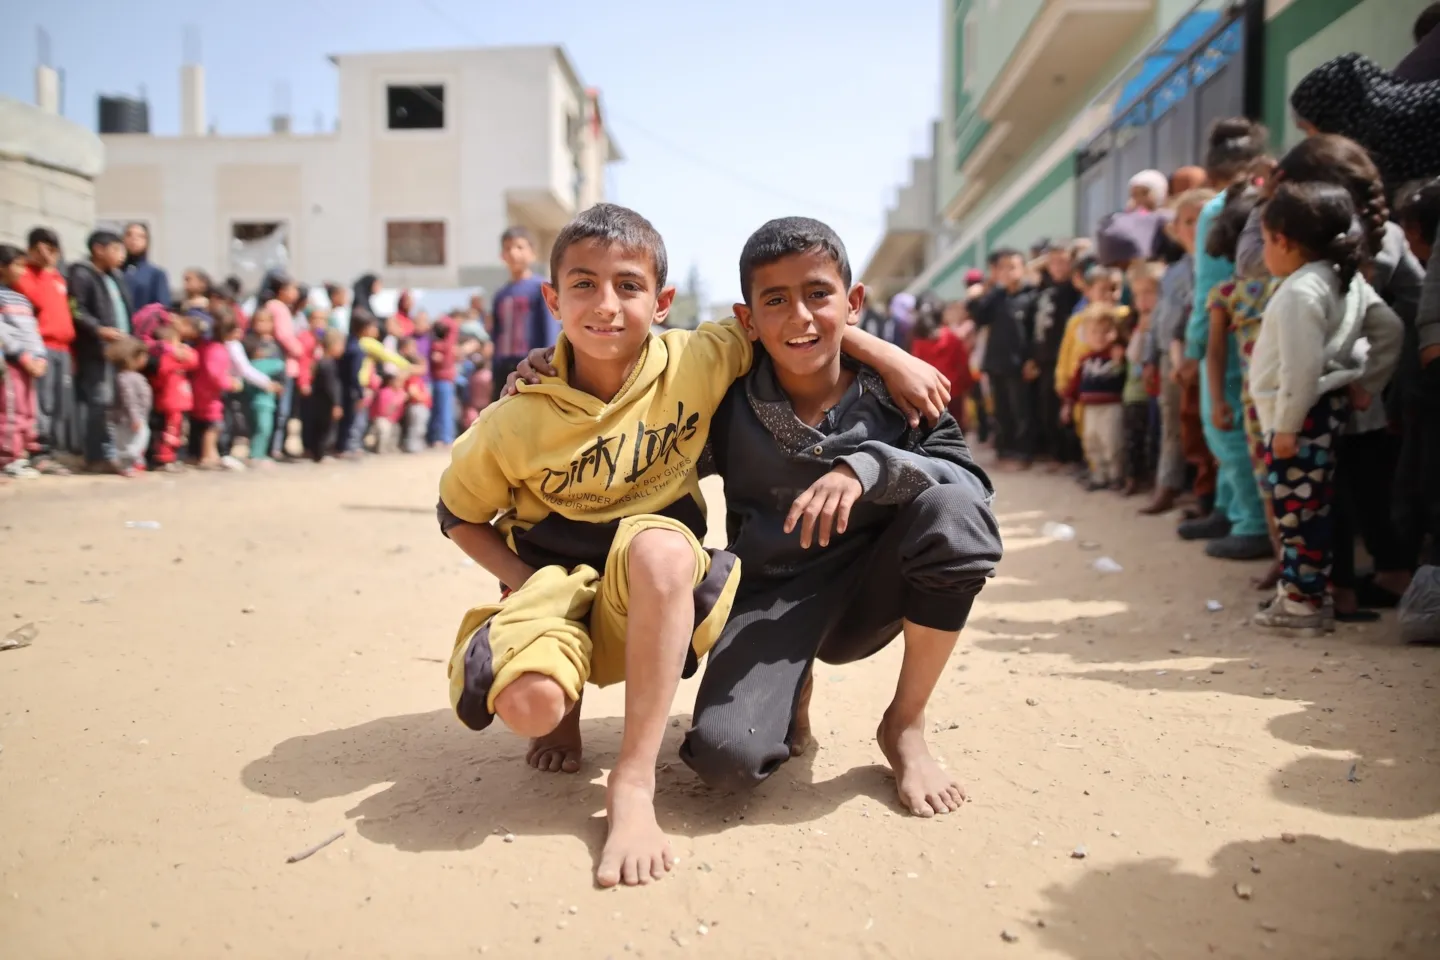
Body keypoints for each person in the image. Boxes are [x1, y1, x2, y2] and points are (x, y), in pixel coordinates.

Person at [438, 203, 948, 887]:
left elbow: (793, 326)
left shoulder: (696, 360)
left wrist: (885, 350)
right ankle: (558, 697)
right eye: (583, 286)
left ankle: (634, 782)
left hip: (647, 575)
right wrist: (520, 579)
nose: (607, 305)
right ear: (553, 300)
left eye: (628, 286)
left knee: (665, 549)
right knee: (533, 707)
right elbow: (456, 513)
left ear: (663, 301)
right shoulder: (514, 417)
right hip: (552, 582)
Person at [665, 217, 1000, 816]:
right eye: (776, 300)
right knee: (725, 760)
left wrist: (868, 467)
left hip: (874, 589)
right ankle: (791, 691)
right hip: (773, 594)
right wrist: (548, 366)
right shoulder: (724, 400)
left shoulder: (899, 396)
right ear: (747, 320)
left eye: (818, 294)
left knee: (956, 513)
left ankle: (904, 725)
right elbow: (638, 392)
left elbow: (971, 486)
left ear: (854, 302)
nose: (800, 316)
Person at [1250, 182, 1403, 633]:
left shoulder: (1300, 291)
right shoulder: (1347, 280)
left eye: (1263, 240)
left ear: (1284, 240)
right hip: (1327, 412)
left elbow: (1300, 368)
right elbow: (1390, 331)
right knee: (1315, 506)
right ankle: (1312, 597)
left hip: (1298, 417)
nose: (1263, 250)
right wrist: (1366, 385)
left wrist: (1285, 428)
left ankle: (1301, 605)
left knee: (1295, 513)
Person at [1178, 118, 1272, 560]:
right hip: (1263, 328)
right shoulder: (1269, 198)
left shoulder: (1218, 210)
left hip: (1228, 334)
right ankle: (1231, 509)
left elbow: (1207, 289)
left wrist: (1194, 349)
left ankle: (1250, 522)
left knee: (1227, 428)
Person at [1141, 188, 1214, 514]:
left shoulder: (1216, 265)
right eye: (1187, 221)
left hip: (1204, 357)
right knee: (1174, 426)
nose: (1195, 227)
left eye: (1202, 219)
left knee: (1208, 427)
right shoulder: (1174, 271)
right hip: (1169, 358)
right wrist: (1149, 357)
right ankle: (1167, 485)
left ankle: (1208, 499)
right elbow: (1157, 319)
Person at [1288, 54, 1440, 196]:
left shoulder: (1383, 144)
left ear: (1331, 118)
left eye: (1307, 129)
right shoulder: (1408, 112)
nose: (1309, 140)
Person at [67, 230, 133, 472]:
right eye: (116, 249)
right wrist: (99, 330)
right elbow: (76, 309)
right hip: (97, 350)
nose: (121, 255)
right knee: (99, 401)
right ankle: (96, 456)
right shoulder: (82, 274)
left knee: (116, 402)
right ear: (98, 249)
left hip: (120, 351)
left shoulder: (115, 277)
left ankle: (114, 452)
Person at [968, 248, 1038, 466]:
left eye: (1012, 267)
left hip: (1020, 364)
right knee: (1001, 411)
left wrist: (1032, 359)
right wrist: (985, 289)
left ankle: (1023, 454)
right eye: (1002, 268)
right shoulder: (996, 297)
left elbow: (1035, 333)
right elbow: (979, 316)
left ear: (1023, 269)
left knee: (1022, 412)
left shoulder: (1031, 296)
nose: (1007, 272)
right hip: (995, 363)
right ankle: (1004, 452)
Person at [13, 228, 74, 474]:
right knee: (43, 402)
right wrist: (42, 267)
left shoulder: (58, 278)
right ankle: (38, 453)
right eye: (44, 248)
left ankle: (50, 448)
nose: (50, 254)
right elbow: (35, 299)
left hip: (64, 349)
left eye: (53, 249)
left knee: (59, 403)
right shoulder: (25, 274)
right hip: (41, 345)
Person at [1063, 307, 1127, 490]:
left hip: (1112, 406)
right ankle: (1099, 475)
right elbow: (1074, 386)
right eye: (1094, 332)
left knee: (1112, 441)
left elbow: (1121, 376)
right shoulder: (1085, 359)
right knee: (1092, 440)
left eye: (1105, 332)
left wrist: (1119, 362)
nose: (1099, 337)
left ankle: (1116, 475)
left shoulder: (1116, 357)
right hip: (1090, 408)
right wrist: (1068, 405)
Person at [489, 226, 556, 402]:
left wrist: (546, 362)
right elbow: (496, 333)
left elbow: (550, 328)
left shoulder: (540, 288)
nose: (513, 253)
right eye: (508, 248)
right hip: (504, 365)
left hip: (530, 364)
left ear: (532, 253)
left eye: (519, 247)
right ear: (502, 255)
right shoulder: (501, 294)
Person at [1030, 243, 1082, 465]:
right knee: (1047, 408)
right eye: (1053, 262)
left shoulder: (1075, 290)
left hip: (1067, 358)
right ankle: (1055, 454)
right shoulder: (1043, 290)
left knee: (1066, 408)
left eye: (1063, 262)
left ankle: (1070, 456)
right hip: (1045, 359)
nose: (1058, 267)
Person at [0, 244, 46, 478]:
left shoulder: (21, 299)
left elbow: (32, 330)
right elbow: (3, 333)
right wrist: (21, 355)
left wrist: (39, 355)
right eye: (17, 265)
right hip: (11, 363)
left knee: (28, 409)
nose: (22, 270)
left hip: (29, 363)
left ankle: (22, 454)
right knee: (11, 410)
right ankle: (7, 458)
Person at [1122, 262, 1163, 495]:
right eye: (1138, 294)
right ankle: (1134, 479)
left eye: (1149, 293)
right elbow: (1132, 357)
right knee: (1134, 439)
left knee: (1154, 437)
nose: (1143, 300)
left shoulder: (1157, 322)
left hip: (1154, 390)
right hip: (1134, 391)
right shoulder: (1135, 322)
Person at [191, 308, 242, 468]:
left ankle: (209, 453)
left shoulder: (205, 346)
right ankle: (207, 456)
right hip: (208, 395)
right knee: (214, 425)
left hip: (201, 391)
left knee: (203, 424)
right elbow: (215, 375)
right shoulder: (216, 350)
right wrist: (230, 383)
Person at [148, 315, 198, 472]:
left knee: (178, 431)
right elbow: (162, 373)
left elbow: (194, 361)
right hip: (170, 400)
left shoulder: (181, 355)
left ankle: (172, 457)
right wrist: (173, 354)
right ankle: (164, 459)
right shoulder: (164, 358)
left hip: (179, 401)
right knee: (169, 432)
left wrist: (182, 353)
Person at [242, 308, 287, 463]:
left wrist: (280, 385)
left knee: (269, 424)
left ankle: (262, 453)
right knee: (259, 424)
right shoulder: (249, 342)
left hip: (271, 393)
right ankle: (255, 454)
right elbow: (246, 369)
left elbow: (281, 368)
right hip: (254, 391)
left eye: (266, 321)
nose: (263, 324)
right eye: (259, 321)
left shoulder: (275, 344)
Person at [107, 337, 152, 477]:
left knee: (139, 439)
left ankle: (134, 462)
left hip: (139, 417)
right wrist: (135, 418)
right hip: (128, 419)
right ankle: (127, 465)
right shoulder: (125, 378)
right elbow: (129, 400)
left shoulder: (134, 376)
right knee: (128, 443)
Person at [304, 329, 345, 462]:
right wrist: (336, 404)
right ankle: (321, 454)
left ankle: (317, 453)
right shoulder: (327, 364)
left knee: (320, 428)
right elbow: (331, 387)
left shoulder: (322, 362)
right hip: (325, 403)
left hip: (319, 403)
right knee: (325, 429)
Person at [121, 223, 171, 310]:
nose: (134, 239)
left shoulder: (156, 274)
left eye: (140, 236)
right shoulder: (114, 272)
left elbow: (162, 308)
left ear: (147, 241)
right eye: (129, 235)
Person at [427, 316, 459, 447]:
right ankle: (444, 437)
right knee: (444, 411)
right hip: (443, 381)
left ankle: (440, 437)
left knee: (441, 410)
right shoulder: (446, 345)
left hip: (440, 380)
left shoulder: (436, 345)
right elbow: (454, 328)